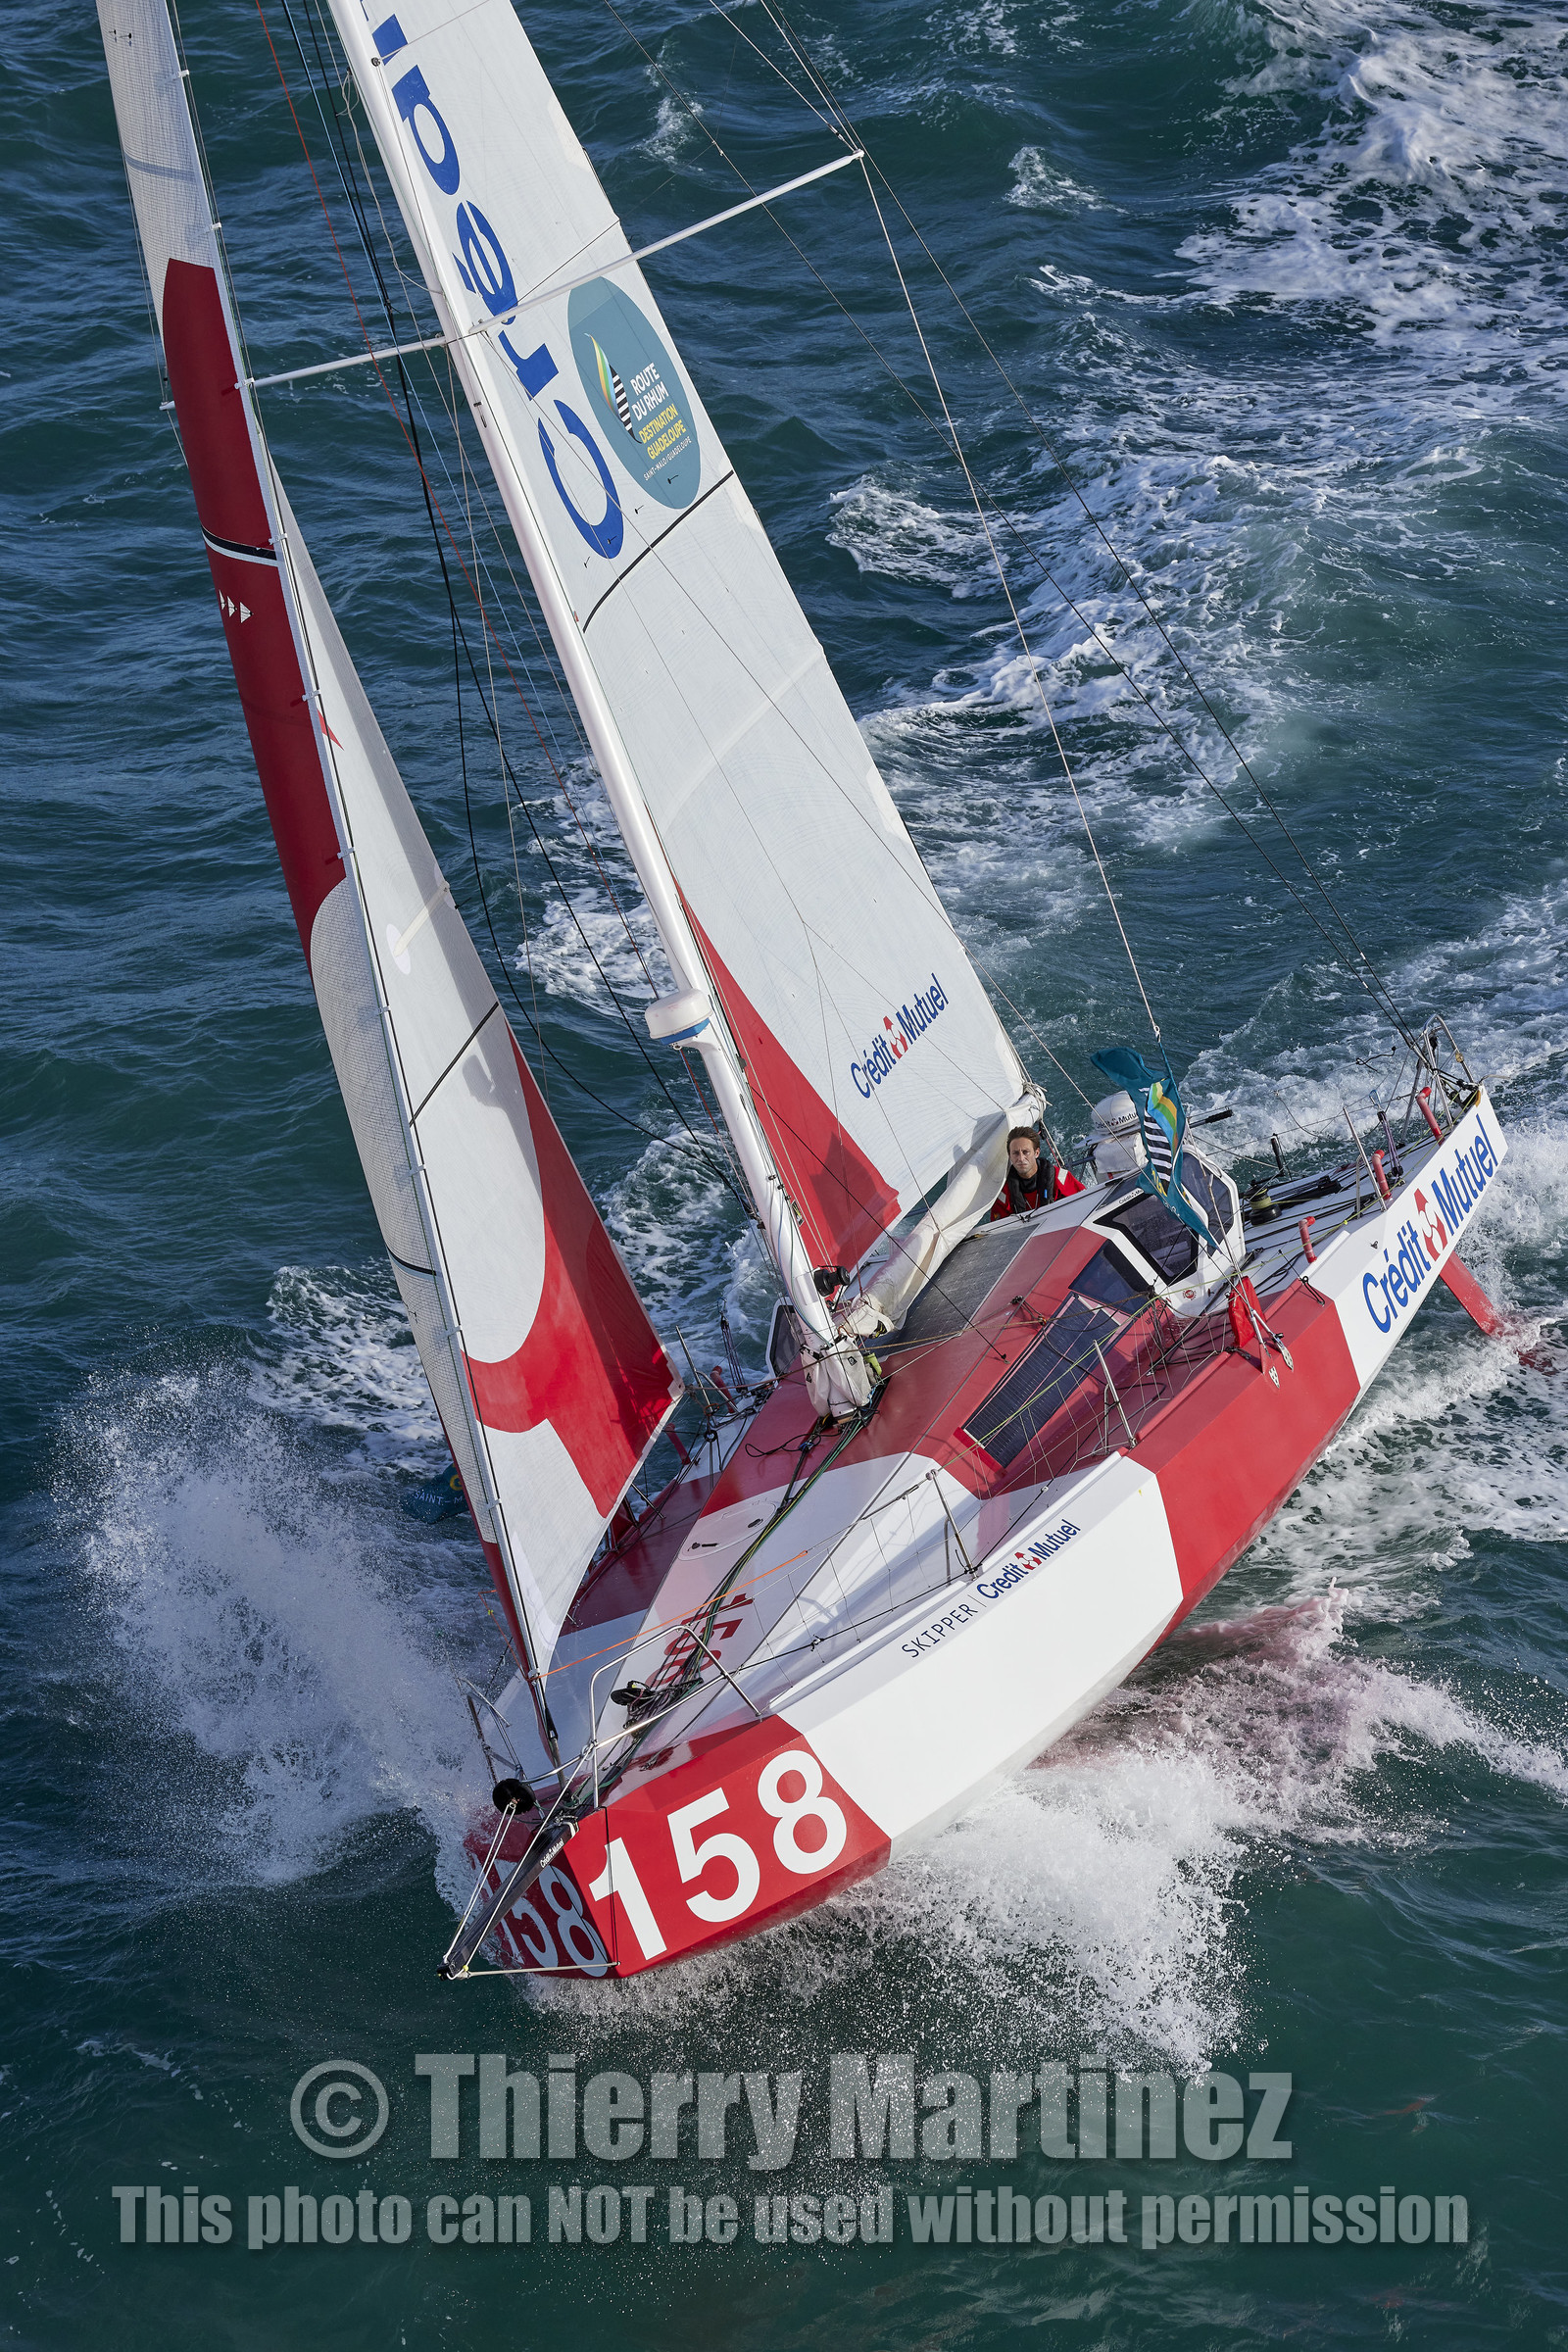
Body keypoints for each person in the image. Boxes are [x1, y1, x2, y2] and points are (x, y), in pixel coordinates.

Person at [990, 1126, 1084, 1220]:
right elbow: (997, 1226)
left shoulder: (1060, 1178)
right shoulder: (1004, 1193)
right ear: (1009, 1156)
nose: (1021, 1159)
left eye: (1025, 1152)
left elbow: (1086, 1202)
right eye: (1015, 1153)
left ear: (1036, 1153)